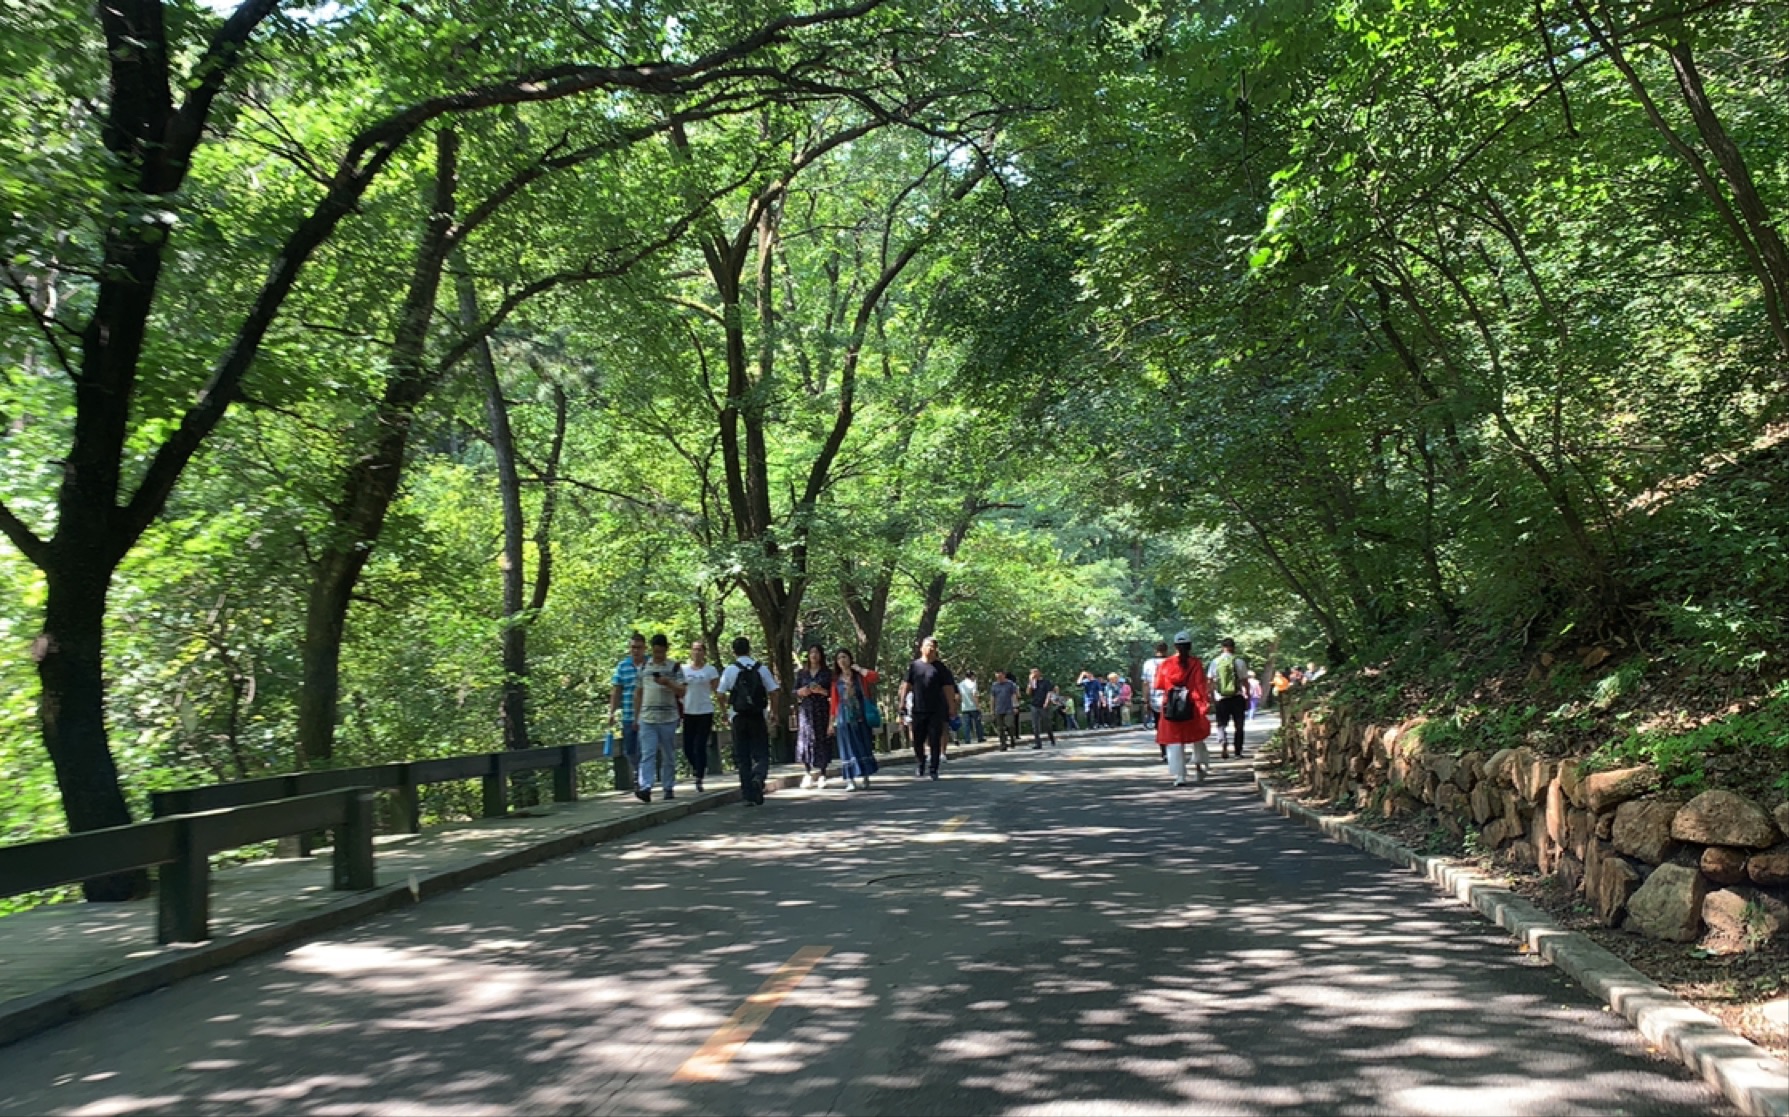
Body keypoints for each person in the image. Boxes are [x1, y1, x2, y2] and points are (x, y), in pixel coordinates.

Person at [718, 636, 779, 805]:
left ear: (734, 651)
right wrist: (773, 712)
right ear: (749, 649)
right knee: (761, 752)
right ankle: (759, 776)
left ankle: (748, 794)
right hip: (757, 716)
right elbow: (774, 691)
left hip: (738, 717)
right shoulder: (761, 669)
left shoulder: (730, 670)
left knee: (742, 755)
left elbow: (720, 693)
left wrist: (725, 713)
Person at [633, 634, 687, 802]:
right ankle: (646, 787)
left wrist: (668, 683)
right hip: (647, 717)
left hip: (668, 717)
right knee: (647, 753)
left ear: (666, 650)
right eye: (656, 652)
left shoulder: (674, 667)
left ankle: (668, 787)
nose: (658, 656)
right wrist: (636, 718)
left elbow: (683, 691)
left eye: (662, 652)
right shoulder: (644, 668)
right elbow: (638, 693)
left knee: (668, 754)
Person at [1154, 630, 1212, 787]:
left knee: (1174, 741)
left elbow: (1158, 685)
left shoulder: (1166, 664)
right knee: (1196, 737)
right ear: (1190, 645)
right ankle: (1200, 767)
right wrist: (1204, 703)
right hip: (1192, 704)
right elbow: (1200, 685)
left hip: (1172, 706)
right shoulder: (1196, 663)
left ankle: (1180, 775)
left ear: (1175, 646)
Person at [898, 635, 959, 780]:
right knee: (918, 740)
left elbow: (948, 688)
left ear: (936, 650)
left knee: (934, 739)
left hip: (936, 709)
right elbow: (906, 685)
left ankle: (934, 768)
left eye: (933, 646)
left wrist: (952, 707)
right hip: (918, 708)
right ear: (921, 648)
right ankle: (920, 762)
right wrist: (902, 703)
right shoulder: (915, 666)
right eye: (928, 645)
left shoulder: (941, 668)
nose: (930, 648)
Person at [829, 649, 880, 790]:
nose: (842, 660)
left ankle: (865, 775)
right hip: (843, 718)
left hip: (860, 715)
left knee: (863, 745)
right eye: (839, 658)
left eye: (844, 657)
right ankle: (850, 779)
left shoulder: (859, 677)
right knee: (847, 748)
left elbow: (874, 677)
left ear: (850, 659)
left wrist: (859, 669)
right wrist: (830, 723)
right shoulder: (836, 681)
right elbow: (834, 703)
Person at [794, 643, 835, 789]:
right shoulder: (802, 673)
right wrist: (801, 692)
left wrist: (821, 691)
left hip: (822, 709)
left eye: (817, 652)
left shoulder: (827, 673)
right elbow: (794, 691)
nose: (814, 655)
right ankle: (807, 772)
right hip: (806, 710)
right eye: (811, 652)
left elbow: (833, 693)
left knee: (822, 739)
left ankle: (823, 773)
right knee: (806, 740)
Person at [682, 639, 720, 792]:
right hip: (688, 711)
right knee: (687, 747)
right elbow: (679, 690)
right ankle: (697, 766)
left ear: (704, 653)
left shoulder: (710, 671)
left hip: (705, 711)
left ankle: (699, 775)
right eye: (694, 649)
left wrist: (724, 711)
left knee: (700, 745)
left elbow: (718, 692)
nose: (696, 652)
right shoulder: (684, 670)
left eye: (699, 650)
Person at [608, 632, 648, 775]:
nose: (635, 651)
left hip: (649, 715)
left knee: (646, 748)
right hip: (629, 715)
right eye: (633, 648)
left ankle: (643, 778)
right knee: (630, 749)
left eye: (639, 647)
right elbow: (616, 690)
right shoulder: (623, 666)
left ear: (645, 648)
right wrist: (611, 712)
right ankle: (638, 772)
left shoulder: (651, 664)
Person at [1208, 638, 1250, 759]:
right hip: (1237, 697)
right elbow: (1245, 681)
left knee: (1221, 724)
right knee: (1239, 725)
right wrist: (1247, 696)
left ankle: (1223, 742)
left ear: (1222, 647)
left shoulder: (1215, 662)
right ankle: (1237, 751)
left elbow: (1210, 681)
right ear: (1234, 648)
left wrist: (1211, 696)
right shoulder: (1239, 662)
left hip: (1221, 698)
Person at [1026, 668, 1057, 749]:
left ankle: (1051, 738)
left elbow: (1049, 692)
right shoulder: (1033, 683)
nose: (1033, 674)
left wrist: (1046, 702)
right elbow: (1028, 693)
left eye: (1035, 672)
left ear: (1039, 673)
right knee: (1035, 726)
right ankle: (1038, 744)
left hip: (1043, 705)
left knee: (1047, 724)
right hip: (1034, 705)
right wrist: (1030, 682)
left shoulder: (1046, 682)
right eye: (1032, 673)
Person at [989, 669, 1020, 750]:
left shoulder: (1010, 684)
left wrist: (1015, 706)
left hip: (1009, 708)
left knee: (1010, 725)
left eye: (1000, 676)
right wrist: (992, 710)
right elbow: (992, 698)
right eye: (997, 677)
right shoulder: (994, 685)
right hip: (998, 709)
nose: (998, 679)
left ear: (1003, 675)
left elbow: (1014, 696)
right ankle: (1003, 744)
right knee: (1000, 728)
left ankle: (1012, 738)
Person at [1140, 641, 1166, 731]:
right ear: (1167, 650)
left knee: (1158, 725)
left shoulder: (1148, 663)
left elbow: (1145, 683)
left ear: (1154, 650)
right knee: (1170, 725)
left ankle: (1163, 744)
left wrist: (1145, 700)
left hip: (1154, 699)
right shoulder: (1171, 662)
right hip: (1169, 699)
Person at [957, 671, 984, 745]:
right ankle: (980, 737)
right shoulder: (973, 684)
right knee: (977, 723)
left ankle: (967, 739)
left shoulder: (960, 684)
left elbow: (959, 696)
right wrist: (978, 706)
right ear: (972, 676)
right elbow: (975, 695)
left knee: (966, 724)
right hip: (973, 707)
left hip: (964, 707)